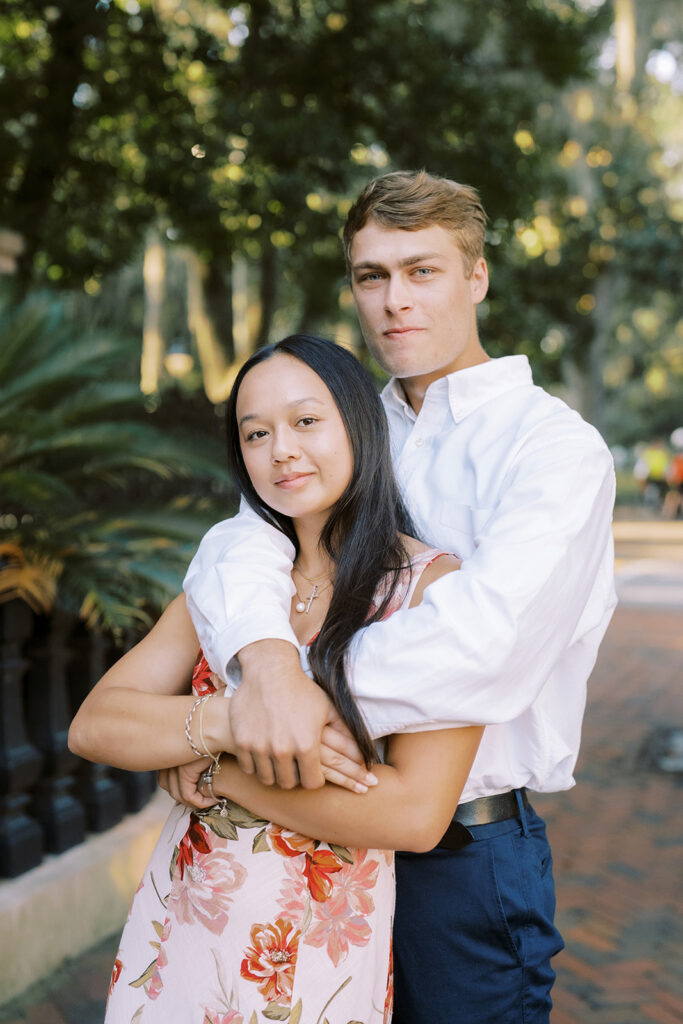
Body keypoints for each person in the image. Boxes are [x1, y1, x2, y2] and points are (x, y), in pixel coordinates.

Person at [181, 170, 617, 1023]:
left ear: (476, 278)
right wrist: (264, 669)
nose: (393, 301)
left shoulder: (553, 450)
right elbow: (240, 545)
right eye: (370, 276)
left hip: (458, 856)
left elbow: (481, 641)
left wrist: (281, 706)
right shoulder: (344, 422)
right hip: (301, 843)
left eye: (422, 271)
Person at [68, 334, 481, 1023]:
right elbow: (96, 724)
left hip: (315, 952)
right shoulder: (229, 583)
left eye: (306, 422)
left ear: (360, 424)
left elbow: (412, 815)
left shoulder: (430, 590)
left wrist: (213, 770)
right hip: (180, 936)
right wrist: (230, 722)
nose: (280, 449)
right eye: (255, 433)